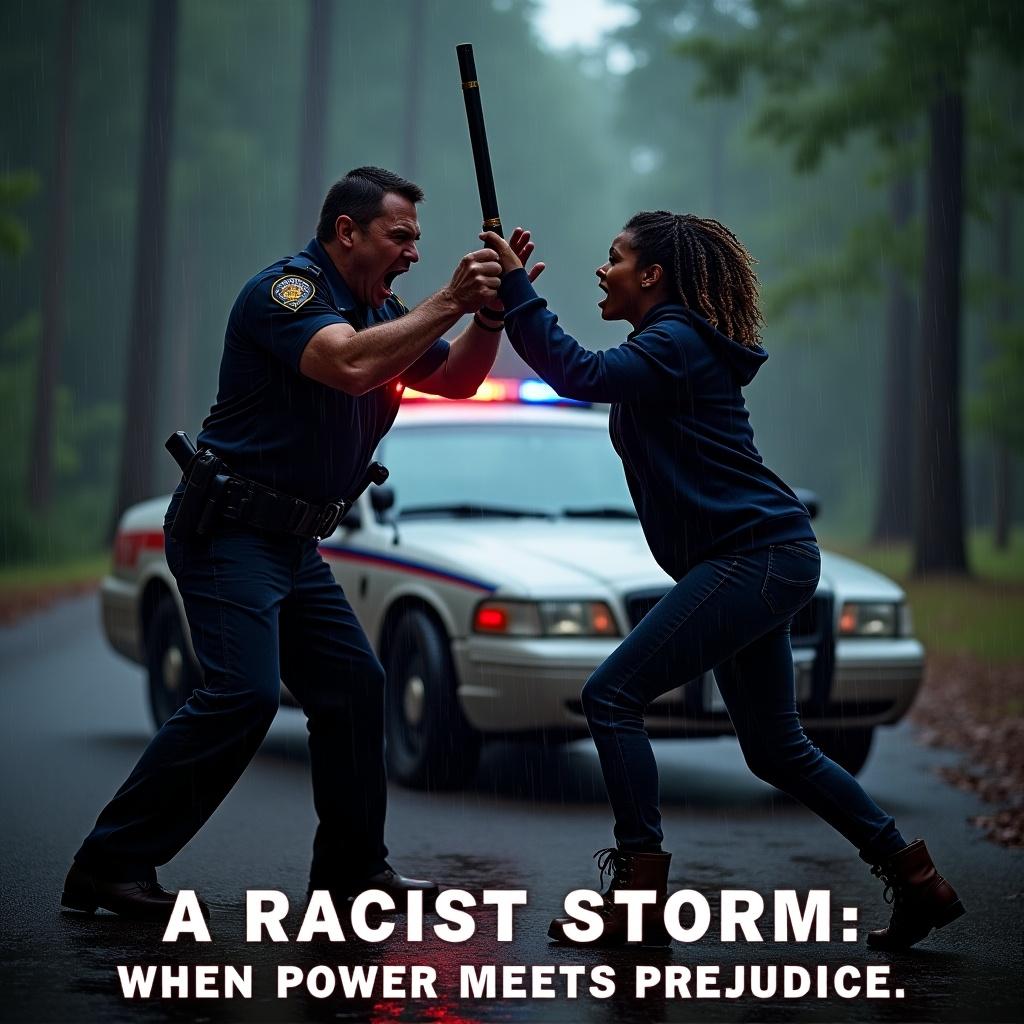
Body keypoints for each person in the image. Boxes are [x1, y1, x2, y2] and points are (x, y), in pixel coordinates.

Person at [63, 166, 541, 921]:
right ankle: (109, 864)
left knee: (354, 688)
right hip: (230, 531)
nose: (414, 252)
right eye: (400, 236)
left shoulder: (377, 307)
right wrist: (450, 297)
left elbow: (449, 380)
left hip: (292, 544)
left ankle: (353, 874)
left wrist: (483, 317)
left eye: (417, 238)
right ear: (346, 231)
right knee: (242, 697)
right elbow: (348, 365)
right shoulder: (287, 294)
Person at [481, 213, 964, 951]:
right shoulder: (669, 344)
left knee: (612, 696)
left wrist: (518, 293)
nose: (601, 271)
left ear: (653, 277)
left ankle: (637, 903)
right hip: (760, 557)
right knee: (775, 748)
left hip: (755, 556)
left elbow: (578, 374)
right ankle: (917, 879)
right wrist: (508, 302)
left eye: (614, 260)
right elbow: (585, 372)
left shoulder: (673, 342)